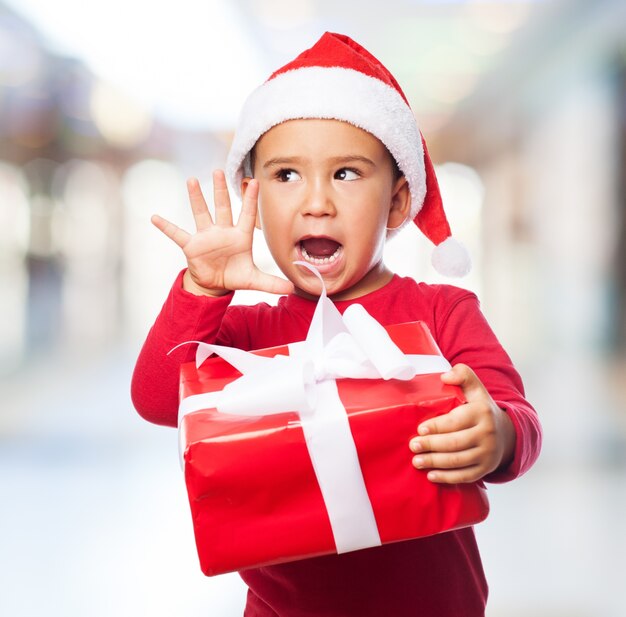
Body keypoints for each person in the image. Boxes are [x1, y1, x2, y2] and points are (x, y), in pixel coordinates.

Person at [131, 32, 542, 617]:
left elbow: (519, 418)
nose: (316, 202)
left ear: (398, 203)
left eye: (347, 174)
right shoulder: (246, 334)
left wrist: (498, 436)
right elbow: (154, 399)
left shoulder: (443, 312)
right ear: (253, 199)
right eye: (285, 176)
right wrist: (200, 291)